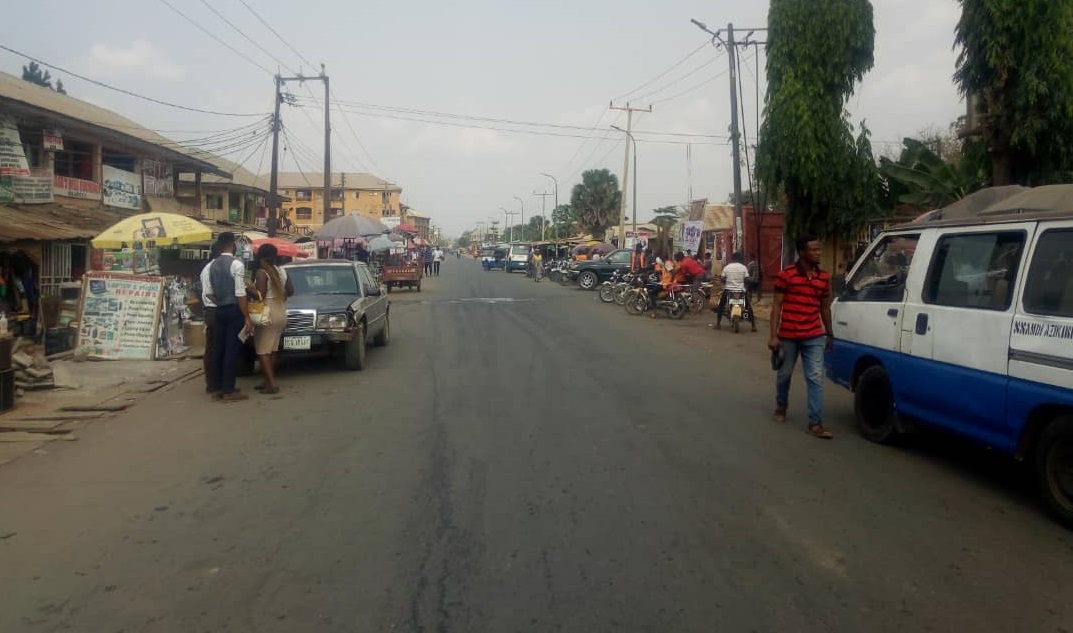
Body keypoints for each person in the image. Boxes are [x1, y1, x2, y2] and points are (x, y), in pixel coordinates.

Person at [768, 236, 834, 439]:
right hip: (788, 335)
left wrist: (829, 333)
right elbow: (777, 306)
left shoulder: (824, 277)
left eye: (818, 250)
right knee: (784, 375)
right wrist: (773, 336)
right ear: (802, 252)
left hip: (814, 335)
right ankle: (781, 405)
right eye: (813, 250)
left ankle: (815, 423)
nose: (817, 253)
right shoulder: (786, 275)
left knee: (815, 378)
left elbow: (824, 307)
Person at [204, 231, 253, 401]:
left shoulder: (212, 265)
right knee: (231, 350)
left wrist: (221, 302)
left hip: (219, 310)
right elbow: (240, 293)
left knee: (219, 349)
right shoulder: (236, 264)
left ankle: (216, 388)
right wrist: (246, 316)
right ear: (233, 245)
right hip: (233, 310)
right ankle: (229, 390)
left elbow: (208, 293)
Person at [251, 244, 294, 395]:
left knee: (262, 351)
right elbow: (291, 290)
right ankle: (268, 380)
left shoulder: (262, 273)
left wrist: (249, 289)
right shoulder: (282, 271)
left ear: (261, 257)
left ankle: (271, 384)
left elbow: (260, 294)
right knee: (273, 349)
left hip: (267, 313)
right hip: (281, 311)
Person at [199, 242, 221, 395]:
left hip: (217, 309)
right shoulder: (210, 269)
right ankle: (212, 384)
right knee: (213, 348)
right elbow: (209, 293)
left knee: (218, 347)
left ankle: (217, 381)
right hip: (214, 311)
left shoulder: (218, 267)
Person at [714, 252, 756, 331]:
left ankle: (718, 324)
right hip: (741, 291)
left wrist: (725, 282)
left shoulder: (727, 267)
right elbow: (747, 279)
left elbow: (722, 279)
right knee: (748, 307)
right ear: (740, 259)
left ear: (732, 259)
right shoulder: (744, 267)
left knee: (721, 306)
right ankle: (753, 326)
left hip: (728, 290)